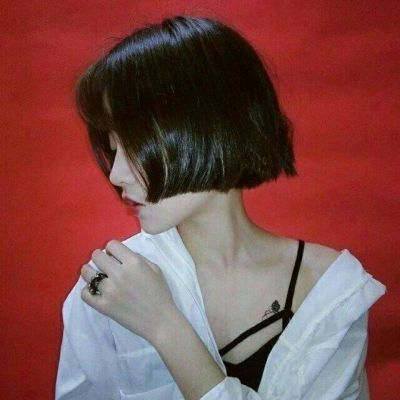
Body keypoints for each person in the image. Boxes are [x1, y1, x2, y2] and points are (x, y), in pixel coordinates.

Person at [55, 15, 387, 400]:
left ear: (207, 126)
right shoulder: (112, 284)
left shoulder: (331, 291)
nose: (116, 174)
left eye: (133, 145)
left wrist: (165, 327)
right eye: (113, 149)